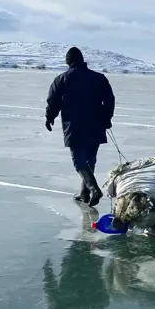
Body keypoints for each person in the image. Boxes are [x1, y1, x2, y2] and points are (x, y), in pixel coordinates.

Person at [44, 46, 115, 207]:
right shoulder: (99, 78)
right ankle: (84, 193)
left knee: (79, 161)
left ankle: (94, 189)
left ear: (68, 61)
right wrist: (107, 117)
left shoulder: (62, 79)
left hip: (74, 125)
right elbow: (109, 99)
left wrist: (49, 117)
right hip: (96, 124)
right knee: (90, 158)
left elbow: (53, 100)